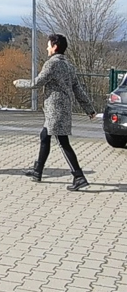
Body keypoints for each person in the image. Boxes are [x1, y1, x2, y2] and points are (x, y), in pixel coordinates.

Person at [14, 34, 96, 191]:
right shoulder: (69, 65)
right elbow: (78, 89)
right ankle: (38, 171)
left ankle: (79, 177)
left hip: (55, 110)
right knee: (45, 136)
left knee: (63, 142)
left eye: (48, 45)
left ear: (55, 47)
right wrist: (89, 109)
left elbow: (36, 83)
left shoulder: (51, 64)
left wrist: (19, 83)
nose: (47, 48)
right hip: (63, 108)